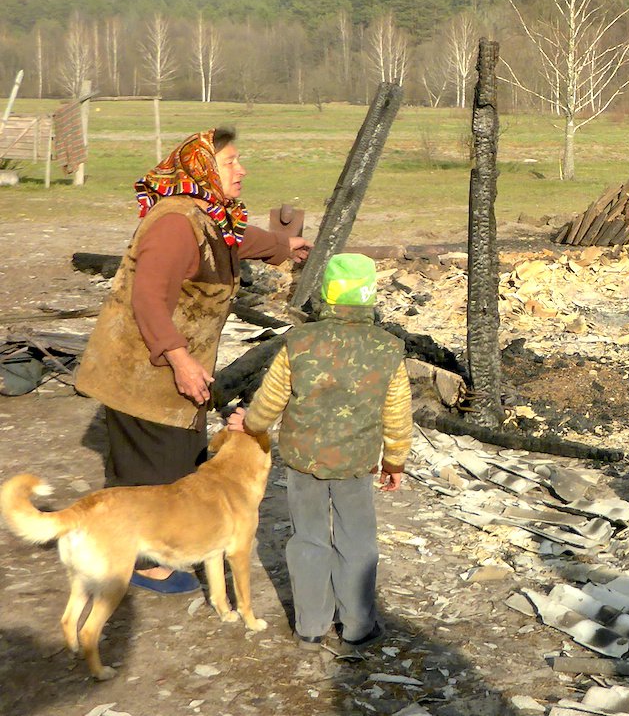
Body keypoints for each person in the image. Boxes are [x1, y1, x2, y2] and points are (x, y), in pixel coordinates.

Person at [74, 127, 310, 595]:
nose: (241, 170)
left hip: (171, 361)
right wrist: (180, 359)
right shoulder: (174, 224)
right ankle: (143, 560)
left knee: (182, 453)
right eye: (230, 162)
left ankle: (165, 541)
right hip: (141, 369)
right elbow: (147, 297)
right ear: (202, 168)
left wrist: (284, 248)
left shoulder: (206, 216)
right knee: (153, 462)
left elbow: (233, 241)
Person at [228, 252, 412, 651]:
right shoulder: (388, 348)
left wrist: (252, 424)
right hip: (357, 463)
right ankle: (358, 626)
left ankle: (310, 625)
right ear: (369, 296)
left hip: (302, 459)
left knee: (308, 538)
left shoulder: (299, 342)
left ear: (325, 294)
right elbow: (397, 413)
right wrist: (394, 459)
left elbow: (271, 399)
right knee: (358, 540)